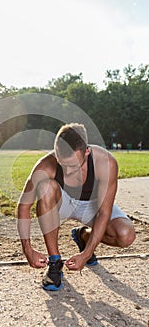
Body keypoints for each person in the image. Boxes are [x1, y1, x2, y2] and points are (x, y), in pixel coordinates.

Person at [17, 123, 136, 291]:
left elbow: (103, 213)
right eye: (62, 164)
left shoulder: (106, 163)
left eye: (73, 165)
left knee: (126, 236)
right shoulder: (45, 165)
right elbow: (23, 207)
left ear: (87, 152)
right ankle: (55, 263)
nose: (67, 171)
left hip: (93, 205)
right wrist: (27, 250)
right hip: (61, 203)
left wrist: (86, 255)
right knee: (45, 187)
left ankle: (83, 236)